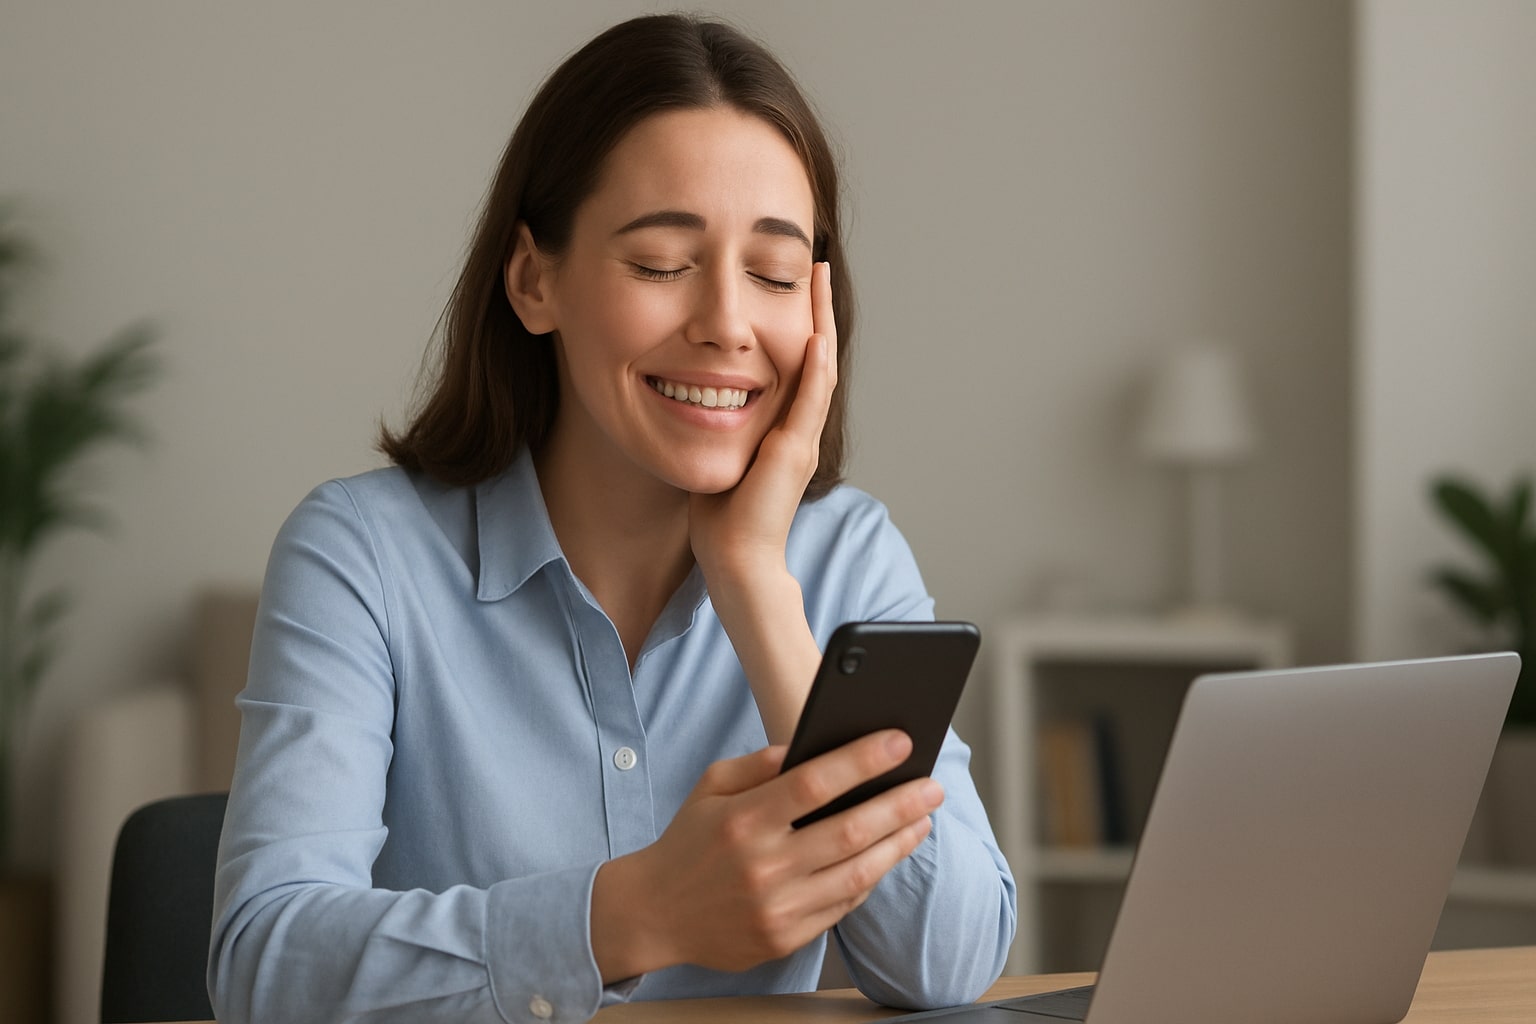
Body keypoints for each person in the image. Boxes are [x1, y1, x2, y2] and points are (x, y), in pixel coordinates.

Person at [209, 13, 1015, 1023]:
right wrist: (632, 915)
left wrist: (758, 585)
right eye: (662, 263)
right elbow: (263, 962)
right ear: (533, 279)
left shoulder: (848, 555)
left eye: (772, 274)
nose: (726, 323)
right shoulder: (362, 554)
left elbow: (948, 960)